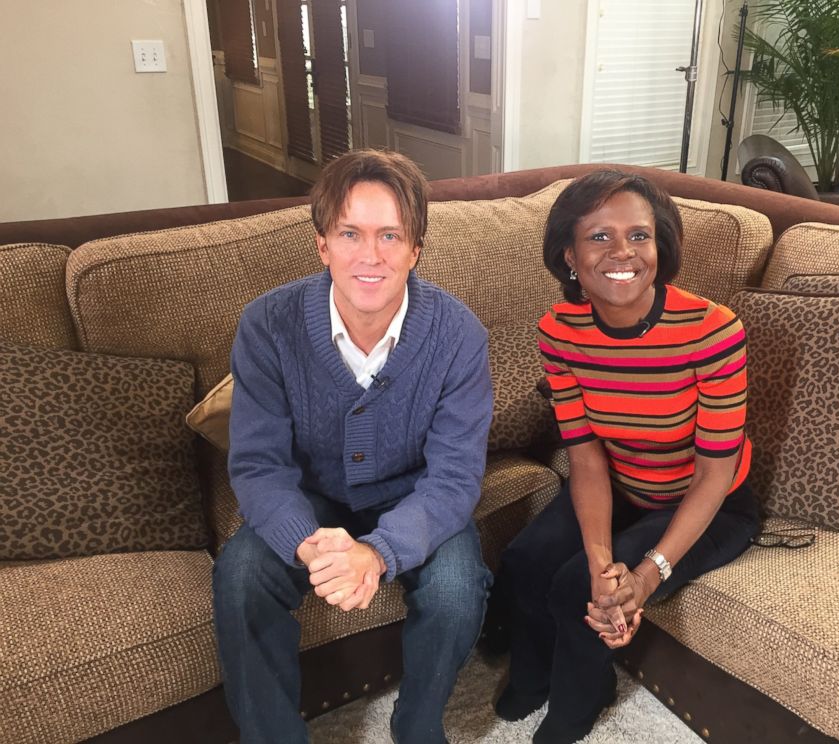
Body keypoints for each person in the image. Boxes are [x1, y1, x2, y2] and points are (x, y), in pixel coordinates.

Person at [213, 149, 494, 744]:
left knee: (457, 586)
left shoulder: (459, 335)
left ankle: (417, 726)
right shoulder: (267, 324)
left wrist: (380, 551)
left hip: (414, 497)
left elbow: (454, 478)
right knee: (240, 575)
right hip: (312, 502)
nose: (371, 256)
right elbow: (260, 464)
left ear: (415, 249)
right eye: (351, 233)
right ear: (323, 245)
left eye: (391, 235)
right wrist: (309, 544)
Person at [493, 170, 761, 743]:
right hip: (619, 486)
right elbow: (586, 458)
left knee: (575, 590)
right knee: (525, 561)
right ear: (568, 253)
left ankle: (578, 705)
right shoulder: (558, 333)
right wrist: (599, 557)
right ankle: (534, 675)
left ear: (661, 246)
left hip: (709, 503)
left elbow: (716, 475)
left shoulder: (714, 333)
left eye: (639, 236)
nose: (623, 253)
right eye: (599, 237)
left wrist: (644, 574)